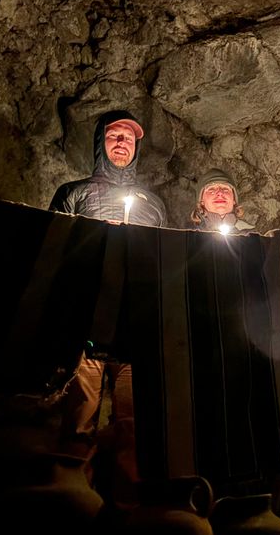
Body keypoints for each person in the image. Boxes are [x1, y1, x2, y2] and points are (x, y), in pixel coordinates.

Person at [49, 109, 168, 514]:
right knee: (79, 420)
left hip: (134, 328)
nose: (121, 143)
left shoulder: (152, 205)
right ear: (100, 142)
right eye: (114, 135)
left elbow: (161, 265)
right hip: (87, 322)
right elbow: (56, 255)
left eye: (129, 138)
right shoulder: (74, 193)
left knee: (132, 424)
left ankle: (129, 515)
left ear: (137, 149)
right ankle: (73, 511)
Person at [190, 168, 255, 234]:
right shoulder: (187, 235)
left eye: (225, 189)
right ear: (201, 201)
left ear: (234, 200)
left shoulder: (254, 236)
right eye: (211, 189)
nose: (220, 193)